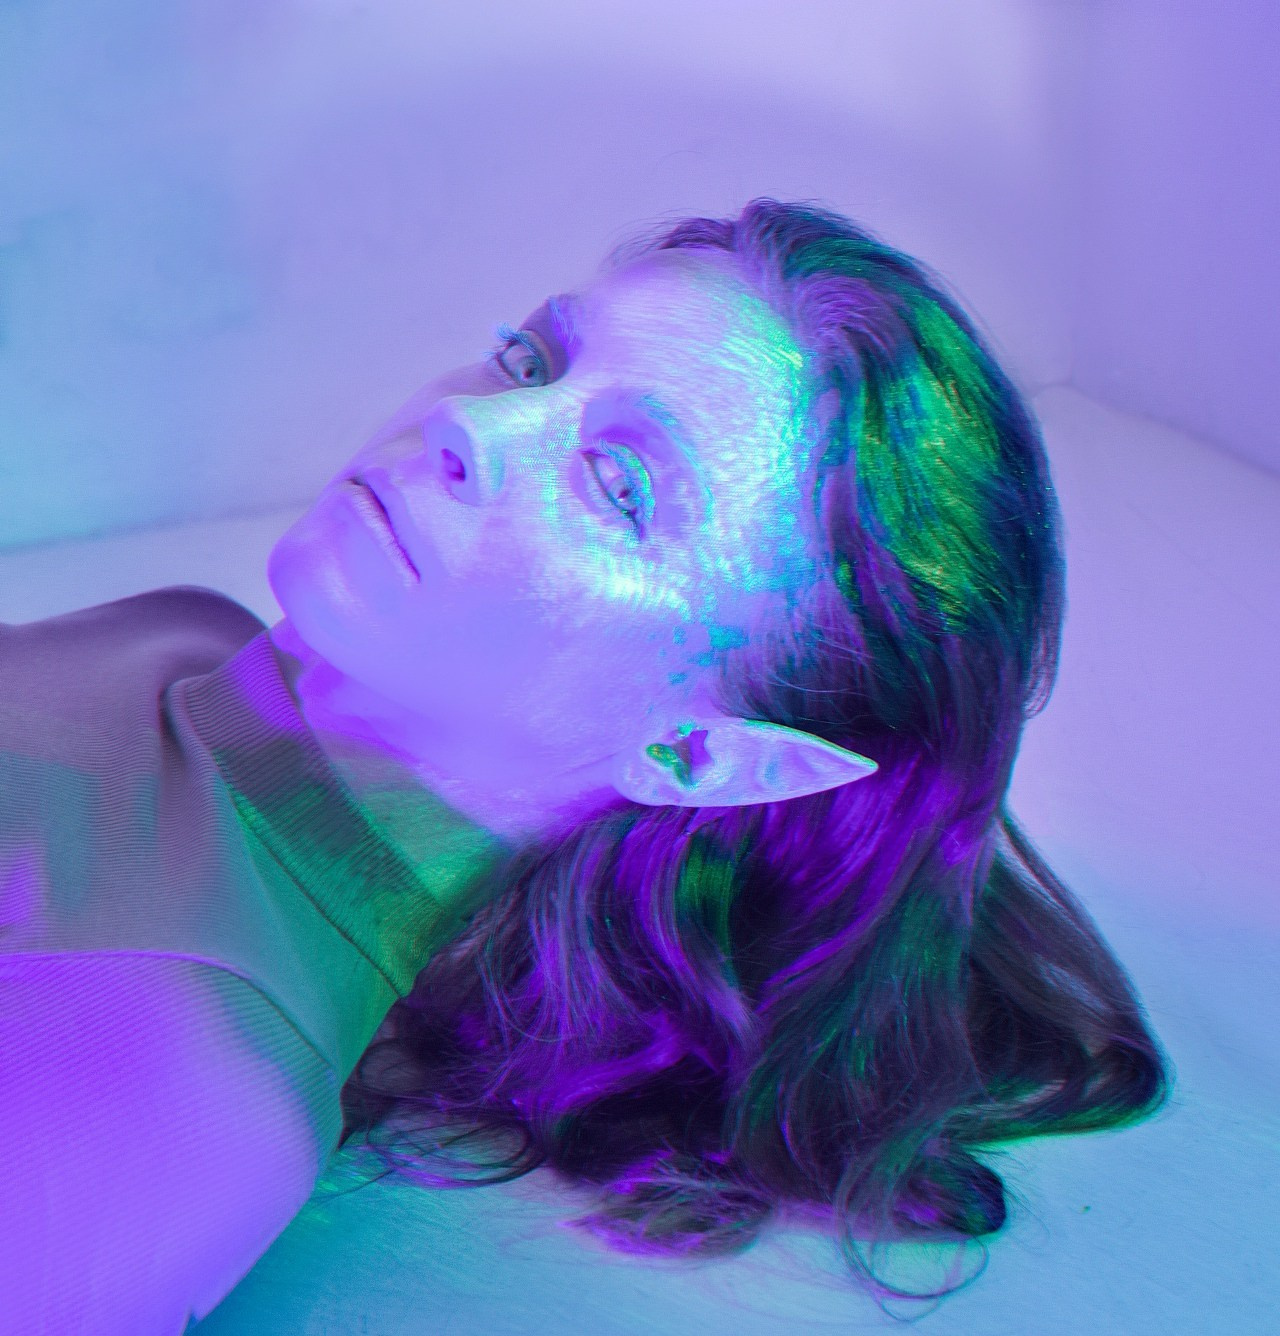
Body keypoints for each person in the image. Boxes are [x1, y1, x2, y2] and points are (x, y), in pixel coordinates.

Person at [0, 199, 1169, 1331]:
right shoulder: (194, 647)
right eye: (530, 361)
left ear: (697, 752)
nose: (472, 425)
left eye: (618, 485)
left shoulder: (168, 1082)